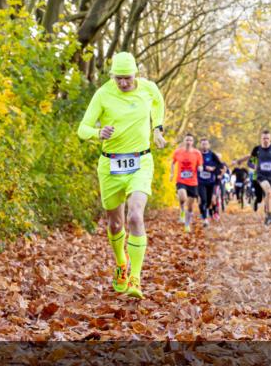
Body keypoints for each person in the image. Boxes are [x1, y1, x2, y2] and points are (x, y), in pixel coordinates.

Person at [77, 51, 166, 300]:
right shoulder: (103, 94)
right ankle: (121, 263)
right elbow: (82, 128)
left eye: (127, 78)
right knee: (115, 224)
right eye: (118, 79)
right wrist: (98, 132)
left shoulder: (148, 89)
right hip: (111, 166)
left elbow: (158, 104)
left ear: (136, 74)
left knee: (136, 216)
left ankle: (135, 278)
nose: (123, 83)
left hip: (140, 161)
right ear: (112, 76)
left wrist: (157, 129)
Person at [236, 131, 271, 224]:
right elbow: (249, 162)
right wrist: (254, 166)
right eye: (264, 138)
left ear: (270, 139)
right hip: (261, 175)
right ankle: (268, 216)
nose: (266, 140)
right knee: (268, 192)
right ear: (261, 139)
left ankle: (269, 215)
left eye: (267, 138)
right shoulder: (257, 149)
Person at [170, 134, 203, 233]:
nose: (188, 142)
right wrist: (172, 173)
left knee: (190, 205)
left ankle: (187, 224)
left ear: (193, 142)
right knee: (183, 197)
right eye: (187, 140)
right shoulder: (178, 152)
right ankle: (181, 211)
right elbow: (172, 162)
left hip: (193, 182)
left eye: (190, 140)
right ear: (184, 141)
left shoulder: (197, 153)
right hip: (181, 180)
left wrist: (200, 168)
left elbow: (200, 164)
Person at [197, 137, 223, 226]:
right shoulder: (197, 154)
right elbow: (193, 164)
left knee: (208, 202)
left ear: (208, 145)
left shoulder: (212, 155)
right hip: (200, 182)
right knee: (203, 200)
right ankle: (205, 219)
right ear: (200, 145)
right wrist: (204, 168)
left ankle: (203, 211)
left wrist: (213, 168)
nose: (204, 145)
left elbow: (220, 165)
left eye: (206, 144)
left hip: (210, 182)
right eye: (202, 144)